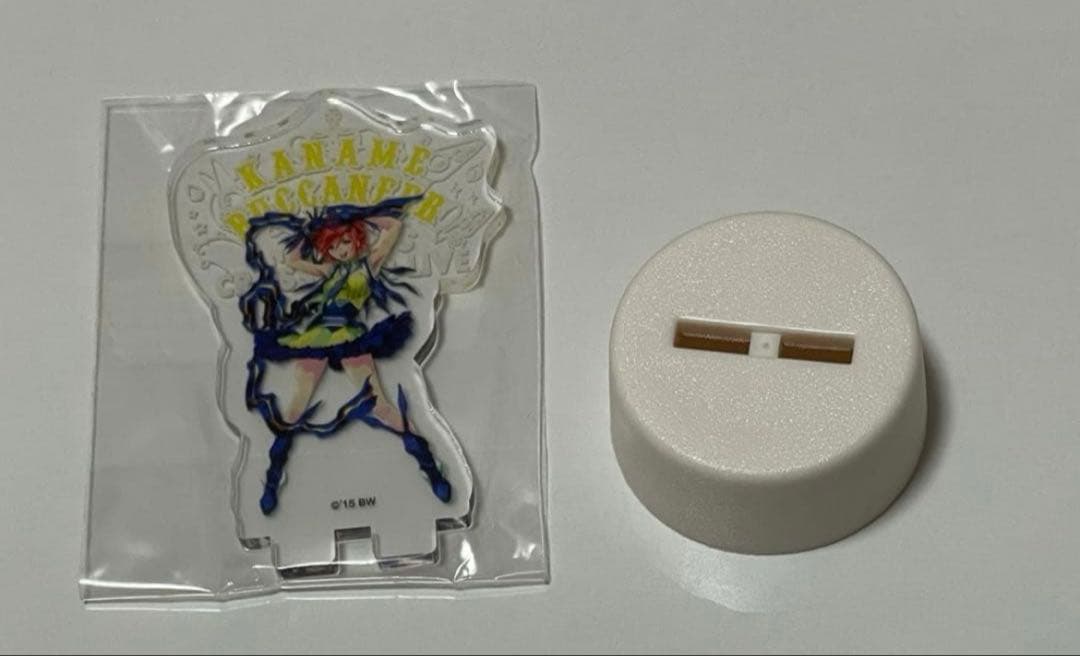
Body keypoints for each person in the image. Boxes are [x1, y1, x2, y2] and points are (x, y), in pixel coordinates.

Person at [239, 195, 450, 514]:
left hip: (349, 336)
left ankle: (431, 468)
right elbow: (293, 260)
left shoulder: (369, 264)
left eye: (346, 242)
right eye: (334, 245)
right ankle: (271, 482)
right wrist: (308, 230)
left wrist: (360, 214)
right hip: (314, 336)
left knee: (381, 407)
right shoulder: (329, 271)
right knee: (293, 411)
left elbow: (393, 226)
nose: (340, 250)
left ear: (357, 240)